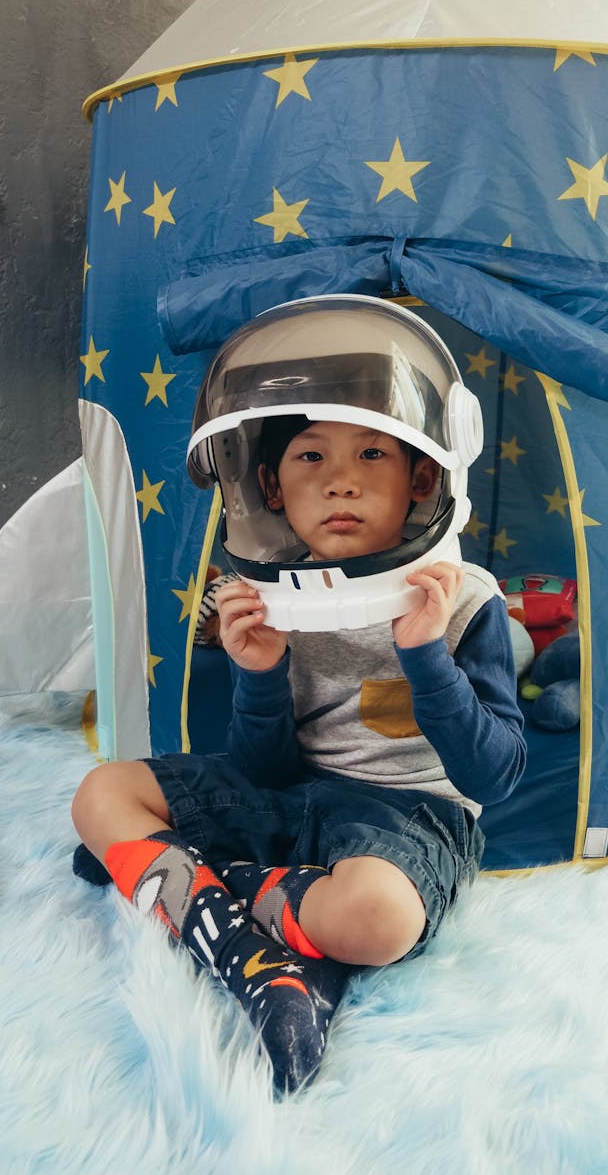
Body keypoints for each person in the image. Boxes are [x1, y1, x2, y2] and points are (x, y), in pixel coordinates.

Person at [72, 317, 526, 1096]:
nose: (340, 480)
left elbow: (495, 774)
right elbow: (261, 769)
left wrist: (423, 655)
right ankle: (262, 963)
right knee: (99, 793)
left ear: (422, 477)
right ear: (272, 487)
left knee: (379, 918)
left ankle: (183, 882)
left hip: (409, 816)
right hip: (291, 793)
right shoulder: (268, 598)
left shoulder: (461, 602)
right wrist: (260, 673)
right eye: (311, 455)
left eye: (371, 453)